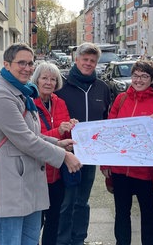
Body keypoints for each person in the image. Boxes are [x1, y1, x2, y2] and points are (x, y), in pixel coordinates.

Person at [0, 43, 82, 245]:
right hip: (10, 183)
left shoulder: (25, 93)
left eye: (30, 63)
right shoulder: (1, 95)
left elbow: (33, 134)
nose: (27, 68)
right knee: (8, 241)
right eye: (21, 63)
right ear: (7, 65)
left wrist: (58, 143)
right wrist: (63, 155)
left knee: (29, 240)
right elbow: (25, 140)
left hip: (29, 183)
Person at [100, 60, 153, 245]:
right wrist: (106, 163)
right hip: (120, 170)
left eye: (144, 76)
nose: (139, 80)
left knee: (148, 214)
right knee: (121, 213)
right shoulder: (121, 99)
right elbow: (109, 133)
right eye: (136, 76)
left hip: (146, 172)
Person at [55, 42, 111, 245]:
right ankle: (62, 240)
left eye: (92, 61)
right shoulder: (62, 85)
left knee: (83, 202)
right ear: (76, 60)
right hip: (66, 154)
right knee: (66, 201)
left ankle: (79, 239)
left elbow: (106, 121)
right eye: (85, 59)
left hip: (91, 155)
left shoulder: (102, 88)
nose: (88, 63)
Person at [31, 62, 78, 245]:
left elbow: (64, 134)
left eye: (53, 79)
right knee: (34, 224)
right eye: (44, 78)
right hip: (36, 174)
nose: (49, 82)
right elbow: (33, 138)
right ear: (37, 80)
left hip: (56, 173)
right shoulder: (29, 103)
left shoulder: (60, 103)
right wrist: (58, 132)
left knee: (53, 221)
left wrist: (70, 127)